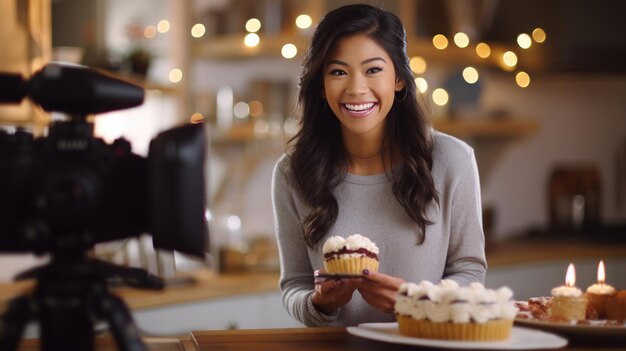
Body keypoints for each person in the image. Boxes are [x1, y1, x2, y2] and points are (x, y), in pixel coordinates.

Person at [271, 3, 487, 327]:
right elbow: (294, 286)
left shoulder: (451, 160)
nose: (356, 88)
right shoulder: (293, 173)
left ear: (399, 78)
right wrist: (319, 304)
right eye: (338, 71)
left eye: (373, 70)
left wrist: (419, 303)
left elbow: (470, 271)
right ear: (321, 85)